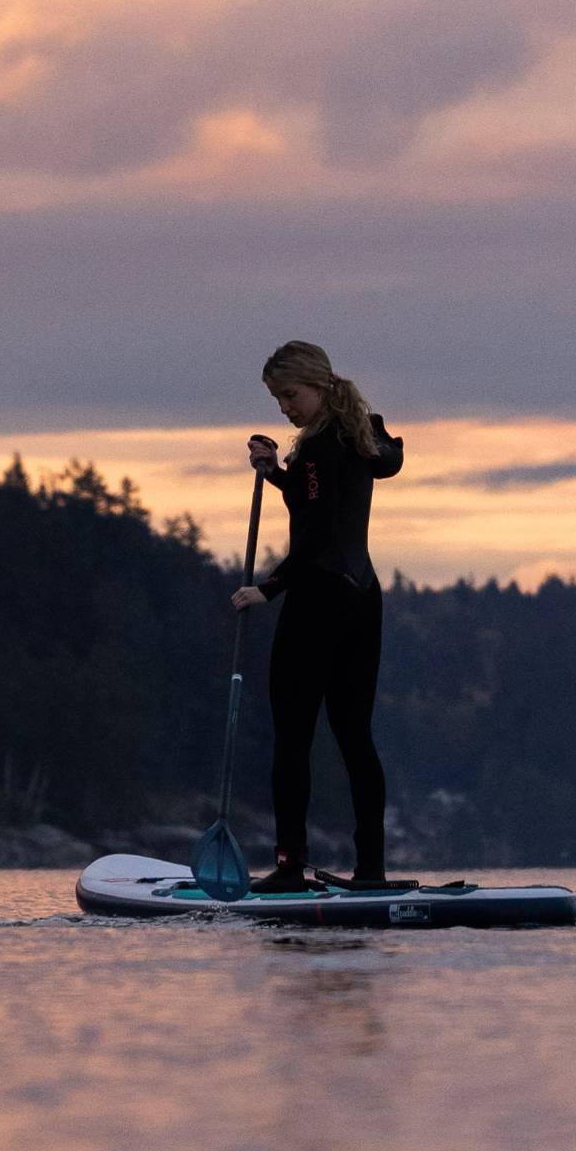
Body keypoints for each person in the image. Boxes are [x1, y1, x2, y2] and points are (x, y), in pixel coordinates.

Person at [231, 340, 404, 891]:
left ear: (318, 385)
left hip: (316, 600)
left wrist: (270, 588)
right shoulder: (357, 434)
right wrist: (274, 469)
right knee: (355, 735)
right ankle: (371, 871)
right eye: (277, 398)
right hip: (362, 597)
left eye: (289, 395)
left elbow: (316, 532)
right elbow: (321, 501)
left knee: (293, 737)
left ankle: (288, 869)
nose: (284, 407)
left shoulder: (317, 448)